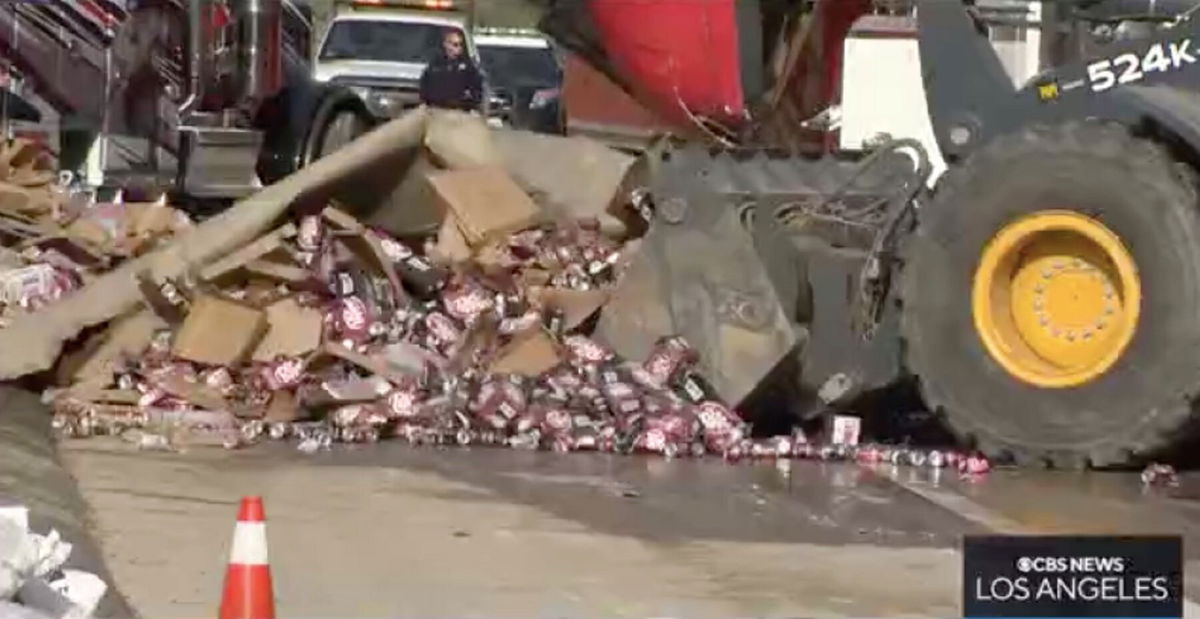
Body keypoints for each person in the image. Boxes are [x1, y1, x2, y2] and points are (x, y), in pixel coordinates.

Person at [418, 29, 484, 112]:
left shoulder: (468, 66)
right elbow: (424, 85)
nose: (459, 48)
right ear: (446, 45)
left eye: (461, 45)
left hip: (460, 111)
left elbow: (476, 88)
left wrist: (474, 104)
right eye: (455, 45)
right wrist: (424, 102)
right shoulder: (435, 64)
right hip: (436, 110)